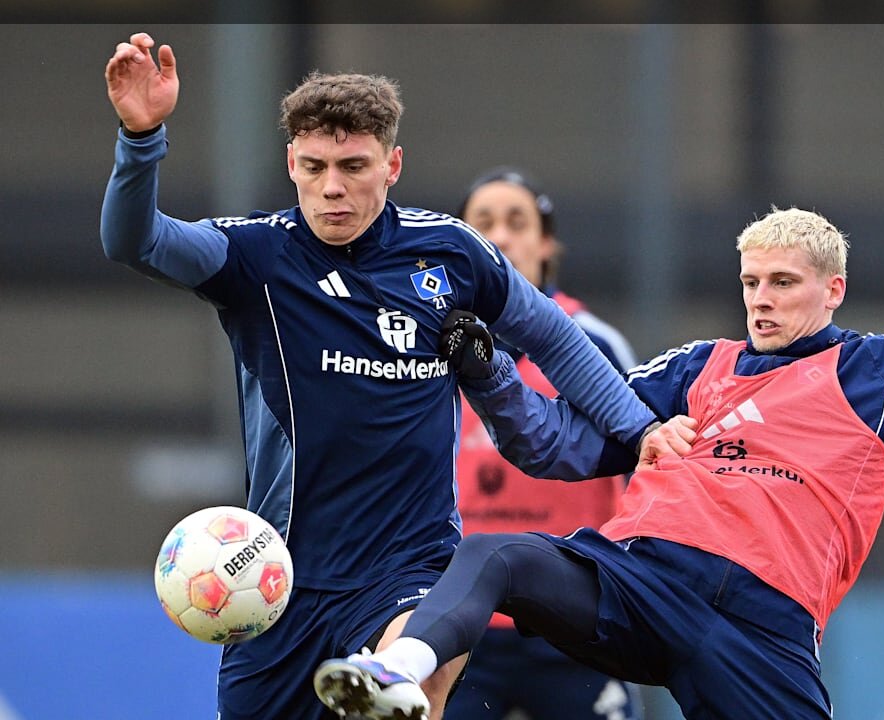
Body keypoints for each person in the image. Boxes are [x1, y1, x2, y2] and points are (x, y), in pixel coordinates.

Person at [313, 200, 884, 720]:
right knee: (497, 554)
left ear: (832, 289)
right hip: (645, 582)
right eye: (751, 283)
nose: (762, 300)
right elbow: (552, 445)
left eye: (783, 283)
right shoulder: (696, 369)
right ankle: (399, 675)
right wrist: (487, 375)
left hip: (763, 631)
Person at [101, 33, 658, 720]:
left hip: (411, 565)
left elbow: (555, 337)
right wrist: (140, 137)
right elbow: (137, 242)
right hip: (282, 577)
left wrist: (641, 429)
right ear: (292, 163)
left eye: (354, 166)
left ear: (392, 165)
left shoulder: (449, 254)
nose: (332, 187)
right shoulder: (255, 258)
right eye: (315, 166)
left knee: (415, 683)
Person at [448, 167, 642, 719]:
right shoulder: (426, 345)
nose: (500, 237)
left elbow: (646, 472)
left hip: (573, 622)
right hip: (460, 623)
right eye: (483, 224)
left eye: (517, 222)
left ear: (547, 244)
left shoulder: (595, 345)